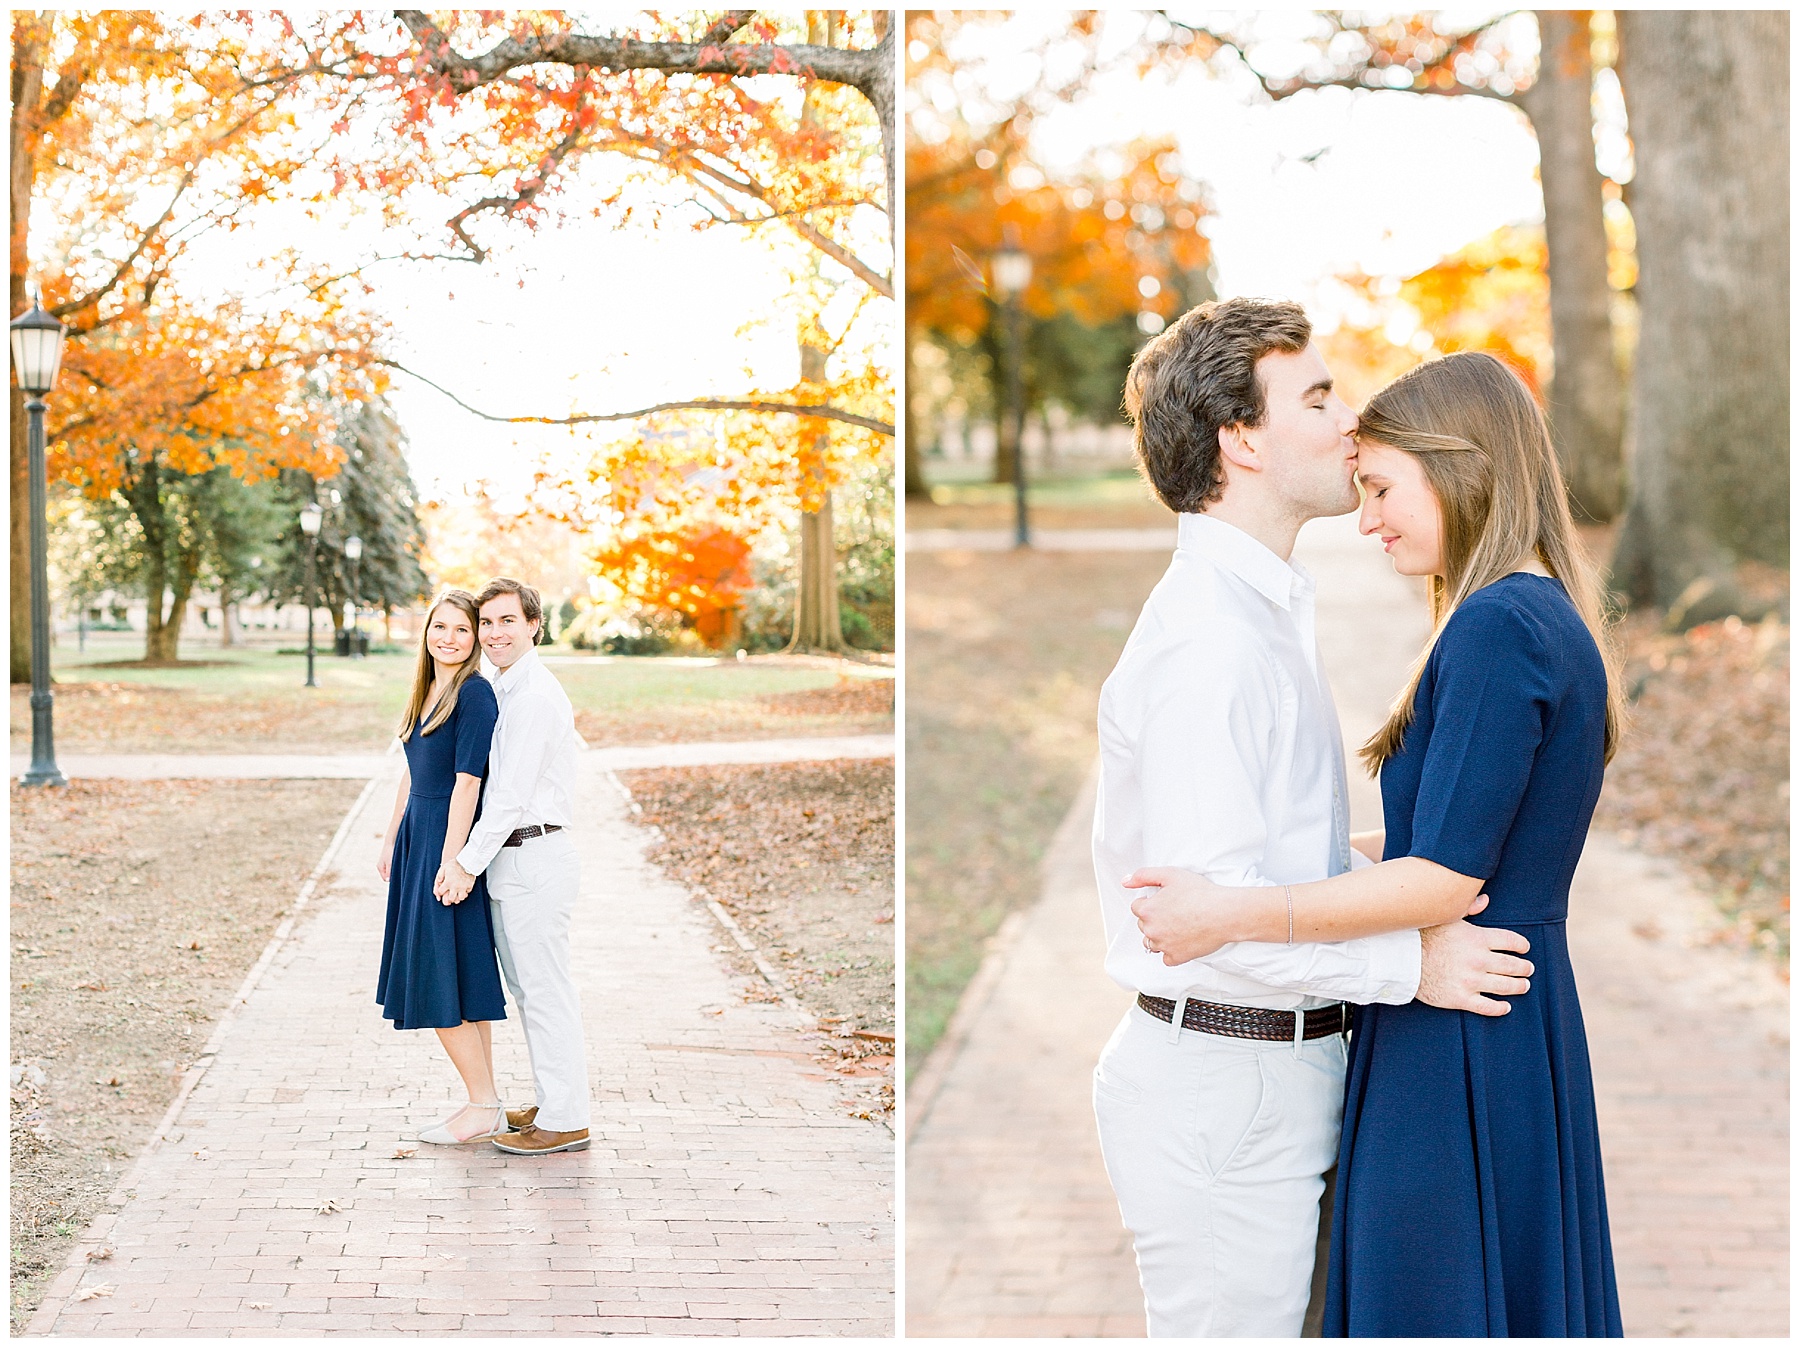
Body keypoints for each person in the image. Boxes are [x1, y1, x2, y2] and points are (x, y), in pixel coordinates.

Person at [1130, 350, 1625, 1336]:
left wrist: (1239, 908)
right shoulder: (1536, 615)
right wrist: (1298, 857)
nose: (1368, 520)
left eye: (1384, 487)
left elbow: (1441, 876)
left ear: (1464, 468)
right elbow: (1446, 830)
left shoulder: (1499, 626)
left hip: (1460, 1037)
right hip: (1502, 1019)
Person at [435, 577, 590, 1156]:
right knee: (533, 994)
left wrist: (464, 865)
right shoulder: (505, 687)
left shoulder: (533, 698)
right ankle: (555, 1101)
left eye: (507, 621)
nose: (495, 633)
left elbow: (507, 800)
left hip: (535, 857)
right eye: (488, 623)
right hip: (517, 863)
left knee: (546, 995)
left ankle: (568, 1117)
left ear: (533, 626)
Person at [375, 588, 508, 1145]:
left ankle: (482, 1103)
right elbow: (413, 767)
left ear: (475, 638)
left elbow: (467, 782)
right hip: (417, 837)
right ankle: (488, 1103)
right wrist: (390, 838)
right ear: (426, 632)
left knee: (441, 978)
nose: (449, 639)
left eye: (462, 629)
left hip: (446, 841)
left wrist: (454, 860)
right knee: (454, 977)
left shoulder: (475, 695)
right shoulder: (427, 689)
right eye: (440, 628)